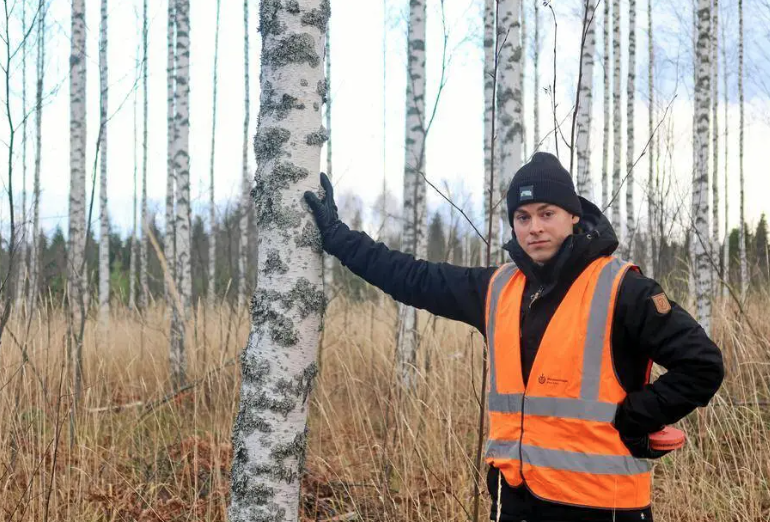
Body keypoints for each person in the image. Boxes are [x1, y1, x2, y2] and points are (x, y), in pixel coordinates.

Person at [303, 152, 724, 522]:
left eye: (547, 213)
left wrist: (636, 417)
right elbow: (412, 277)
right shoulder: (498, 289)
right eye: (522, 217)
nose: (534, 227)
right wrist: (339, 238)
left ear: (574, 215)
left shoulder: (624, 290)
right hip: (515, 501)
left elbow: (702, 365)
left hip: (603, 506)